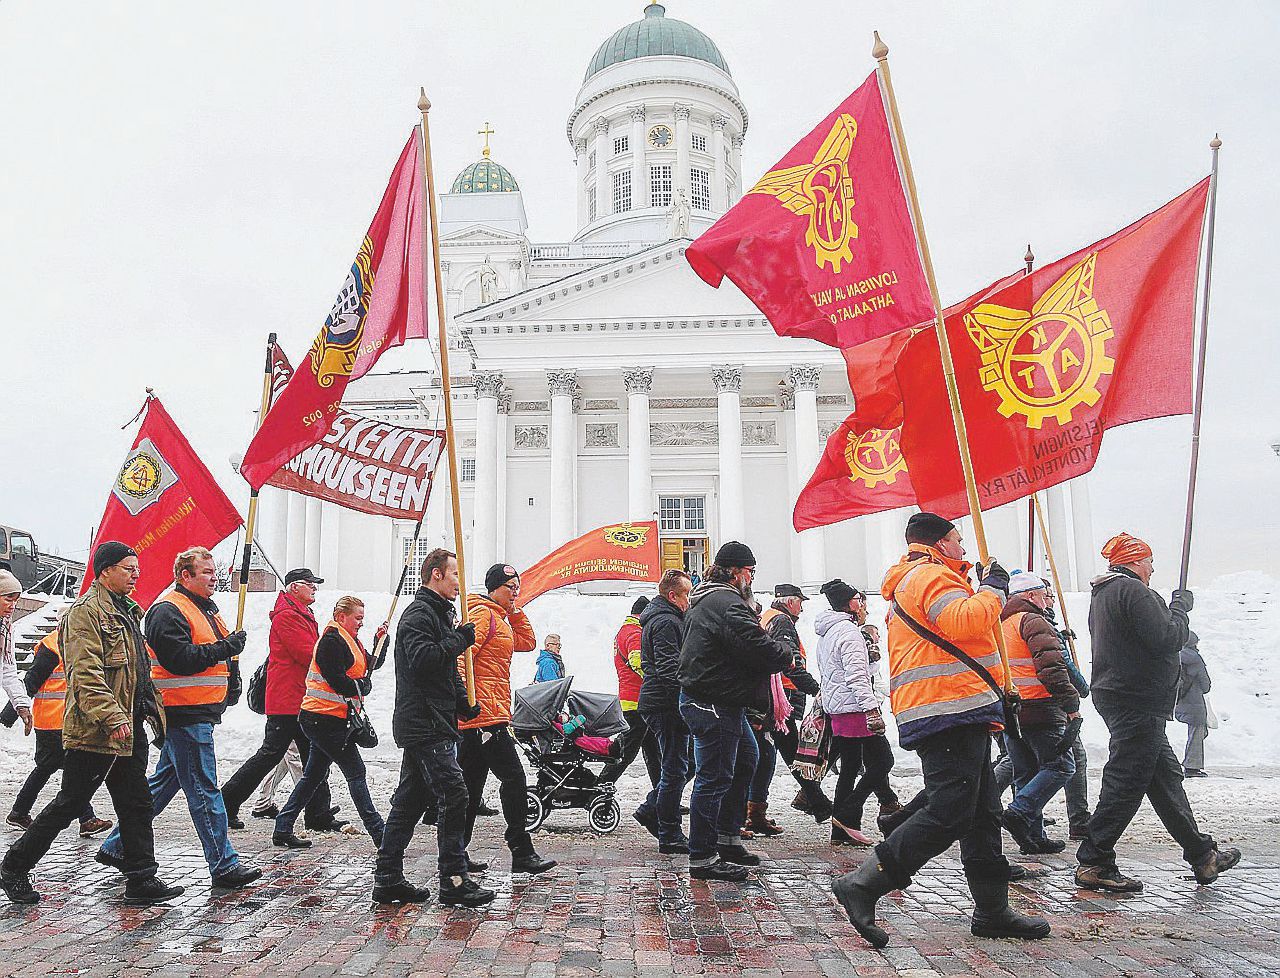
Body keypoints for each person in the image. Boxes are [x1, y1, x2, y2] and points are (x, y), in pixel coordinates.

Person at [833, 512, 1049, 947]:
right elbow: (967, 621)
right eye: (959, 541)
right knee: (951, 811)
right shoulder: (928, 576)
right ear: (940, 543)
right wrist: (993, 587)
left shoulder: (921, 578)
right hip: (946, 710)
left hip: (956, 708)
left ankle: (992, 908)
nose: (965, 550)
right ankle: (865, 882)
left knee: (983, 815)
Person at [1, 543, 184, 906]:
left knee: (136, 801)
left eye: (137, 568)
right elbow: (85, 675)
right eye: (128, 568)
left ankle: (141, 878)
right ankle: (13, 867)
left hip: (128, 725)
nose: (136, 574)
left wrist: (149, 711)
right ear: (104, 571)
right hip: (97, 728)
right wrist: (112, 717)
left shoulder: (127, 611)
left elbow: (137, 671)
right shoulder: (85, 614)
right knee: (71, 802)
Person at [1075, 533, 1239, 892]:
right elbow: (1166, 637)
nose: (1152, 568)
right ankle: (1094, 860)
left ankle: (1202, 854)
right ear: (1134, 561)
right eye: (1149, 561)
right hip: (1137, 700)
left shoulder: (1104, 593)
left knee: (1165, 780)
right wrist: (1179, 609)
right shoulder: (1134, 591)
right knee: (1126, 781)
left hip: (1124, 696)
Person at [95, 547, 260, 890]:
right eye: (207, 573)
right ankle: (224, 864)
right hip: (183, 713)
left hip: (197, 710)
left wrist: (231, 676)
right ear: (185, 576)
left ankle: (116, 845)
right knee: (204, 790)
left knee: (163, 783)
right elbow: (180, 659)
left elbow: (212, 657)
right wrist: (226, 649)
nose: (214, 578)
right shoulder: (169, 610)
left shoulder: (203, 609)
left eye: (215, 572)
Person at [374, 548, 495, 907]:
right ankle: (454, 879)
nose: (460, 582)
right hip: (423, 722)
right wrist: (461, 640)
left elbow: (444, 670)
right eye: (455, 574)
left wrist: (463, 702)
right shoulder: (418, 615)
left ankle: (388, 878)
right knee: (454, 793)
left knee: (410, 801)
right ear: (436, 575)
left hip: (436, 719)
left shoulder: (440, 615)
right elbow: (425, 659)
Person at [677, 542, 792, 882]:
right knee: (714, 778)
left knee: (744, 761)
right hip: (713, 701)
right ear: (735, 571)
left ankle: (727, 839)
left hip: (720, 699)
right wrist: (785, 652)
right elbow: (758, 646)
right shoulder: (726, 603)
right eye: (750, 572)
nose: (752, 578)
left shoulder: (711, 599)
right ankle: (702, 856)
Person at [220, 569, 342, 832]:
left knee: (312, 755)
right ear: (295, 587)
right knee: (272, 754)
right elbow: (306, 653)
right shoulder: (288, 616)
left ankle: (318, 812)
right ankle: (227, 800)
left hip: (297, 697)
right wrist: (337, 655)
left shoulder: (299, 614)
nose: (314, 589)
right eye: (310, 585)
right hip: (287, 699)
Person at [457, 564, 556, 875]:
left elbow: (527, 641)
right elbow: (461, 658)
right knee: (513, 779)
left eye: (517, 586)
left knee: (471, 790)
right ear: (494, 587)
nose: (516, 590)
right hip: (482, 715)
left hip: (491, 713)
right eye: (510, 586)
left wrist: (514, 609)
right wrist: (463, 701)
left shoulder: (498, 616)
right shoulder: (483, 615)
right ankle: (520, 849)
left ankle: (456, 852)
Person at [273, 596, 387, 848]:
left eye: (362, 618)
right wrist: (360, 687)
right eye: (357, 618)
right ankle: (380, 833)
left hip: (328, 718)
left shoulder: (350, 640)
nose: (361, 623)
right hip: (323, 719)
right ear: (341, 616)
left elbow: (371, 664)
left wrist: (381, 642)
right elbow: (337, 680)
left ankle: (283, 826)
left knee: (312, 776)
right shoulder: (331, 641)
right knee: (356, 772)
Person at [4, 619, 114, 836]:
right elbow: (31, 680)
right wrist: (11, 713)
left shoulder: (74, 643)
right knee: (64, 769)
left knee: (59, 769)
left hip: (64, 720)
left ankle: (22, 812)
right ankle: (85, 819)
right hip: (52, 722)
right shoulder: (53, 645)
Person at [998, 573, 1081, 855]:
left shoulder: (1003, 621)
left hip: (1012, 710)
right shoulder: (1033, 620)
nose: (1048, 601)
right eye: (1045, 595)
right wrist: (1071, 703)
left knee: (1025, 771)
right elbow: (1051, 667)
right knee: (1060, 766)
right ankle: (1019, 812)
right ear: (1032, 596)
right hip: (1040, 707)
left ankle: (1032, 837)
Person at [816, 579, 895, 847]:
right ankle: (848, 813)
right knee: (883, 761)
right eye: (859, 600)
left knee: (850, 768)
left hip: (839, 707)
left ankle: (842, 828)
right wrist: (871, 708)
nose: (862, 604)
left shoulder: (828, 631)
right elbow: (857, 676)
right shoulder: (849, 633)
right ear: (850, 603)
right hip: (855, 707)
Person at [753, 583, 826, 833]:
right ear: (789, 601)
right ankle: (816, 800)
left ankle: (755, 810)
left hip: (774, 694)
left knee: (767, 753)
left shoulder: (770, 617)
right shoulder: (782, 622)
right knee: (788, 749)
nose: (802, 609)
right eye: (800, 603)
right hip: (781, 696)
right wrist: (813, 687)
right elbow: (789, 661)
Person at [633, 569, 693, 853]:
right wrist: (686, 698)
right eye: (686, 594)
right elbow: (669, 667)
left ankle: (651, 809)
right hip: (665, 703)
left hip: (663, 701)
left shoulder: (666, 618)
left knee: (682, 764)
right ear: (672, 596)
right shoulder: (666, 621)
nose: (689, 600)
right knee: (675, 768)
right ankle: (669, 831)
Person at [1042, 580, 1092, 840]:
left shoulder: (1032, 621)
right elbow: (1061, 663)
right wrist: (1082, 688)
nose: (1050, 599)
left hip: (1037, 702)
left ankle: (1026, 813)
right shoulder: (1041, 624)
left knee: (1020, 763)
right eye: (1047, 595)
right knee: (1072, 758)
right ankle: (1079, 819)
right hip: (1051, 703)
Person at [600, 597, 660, 786]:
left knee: (654, 753)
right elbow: (638, 662)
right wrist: (656, 679)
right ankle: (602, 785)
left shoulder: (624, 632)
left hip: (634, 699)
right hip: (636, 701)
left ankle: (661, 796)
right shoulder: (635, 633)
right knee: (627, 752)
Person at [0, 571, 33, 741]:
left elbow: (8, 671)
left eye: (16, 600)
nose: (13, 605)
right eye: (8, 599)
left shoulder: (5, 629)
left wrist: (21, 704)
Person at [1176, 631, 1212, 777]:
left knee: (1198, 732)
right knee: (1197, 731)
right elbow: (1206, 685)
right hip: (1194, 702)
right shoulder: (1195, 659)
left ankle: (1188, 763)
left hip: (1178, 700)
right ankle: (1192, 766)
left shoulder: (1175, 656)